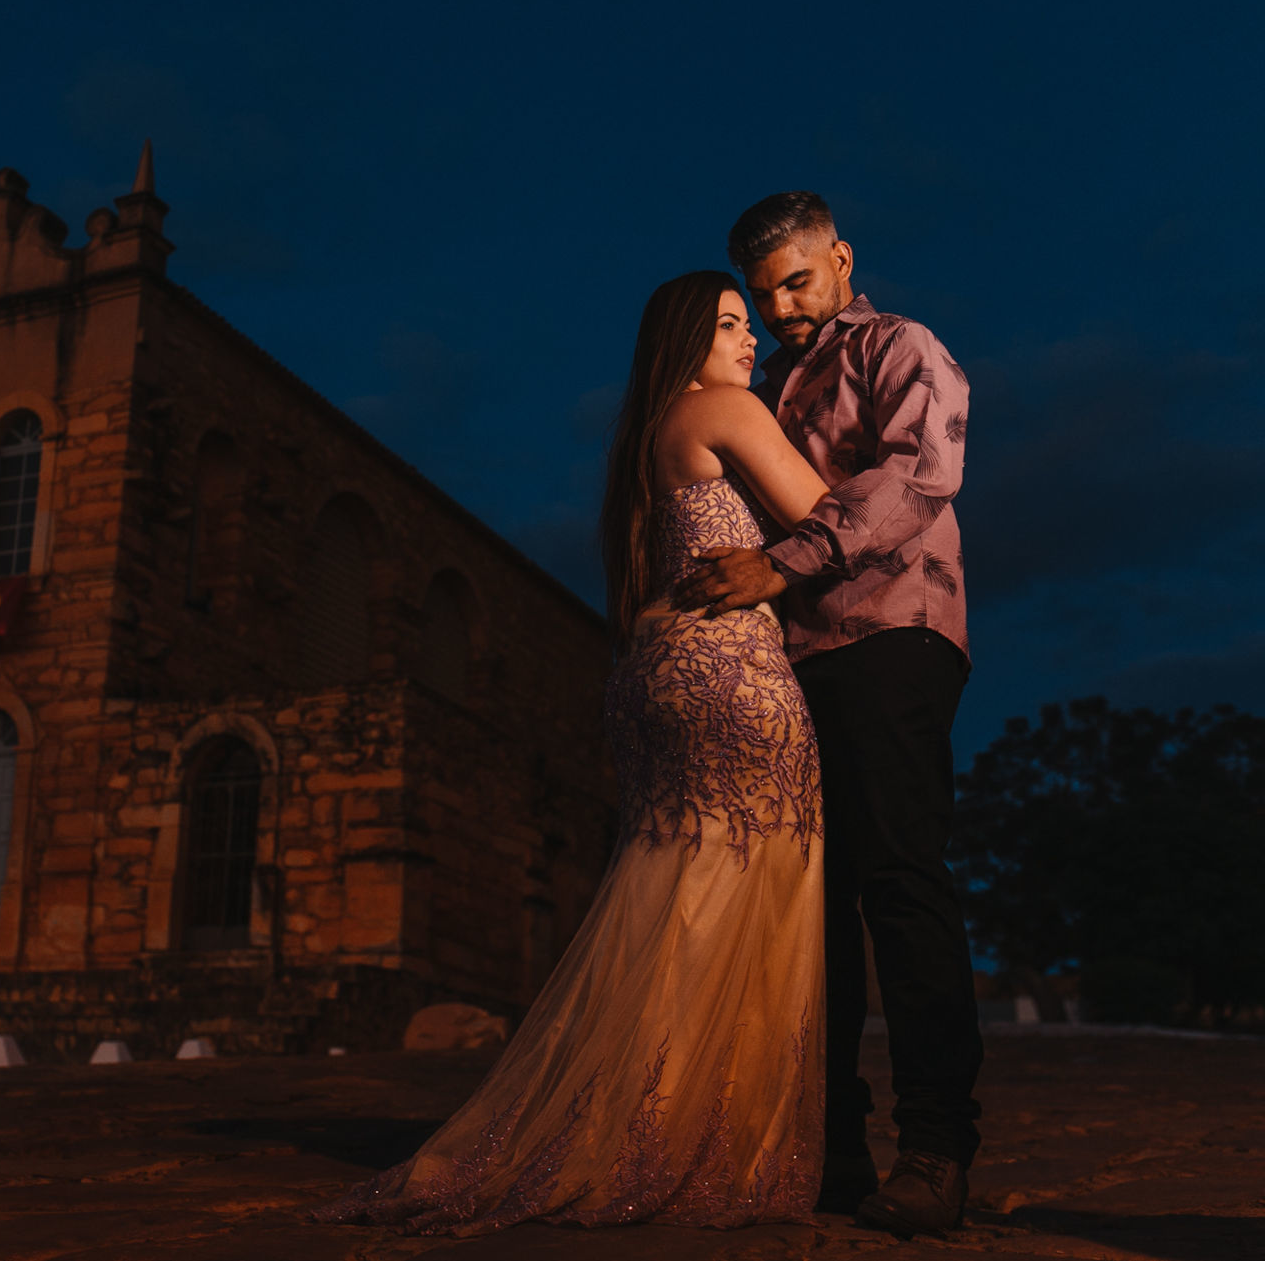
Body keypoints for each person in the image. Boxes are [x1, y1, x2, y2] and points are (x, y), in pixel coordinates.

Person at [310, 271, 831, 1232]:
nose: (748, 338)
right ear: (683, 341)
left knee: (670, 899)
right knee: (738, 898)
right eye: (725, 324)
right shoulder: (725, 408)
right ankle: (696, 1137)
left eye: (746, 323)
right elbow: (824, 513)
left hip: (654, 670)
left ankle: (635, 1117)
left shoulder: (641, 443)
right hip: (731, 672)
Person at [674, 192, 980, 1238]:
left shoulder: (900, 345)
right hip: (793, 658)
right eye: (764, 295)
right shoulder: (764, 382)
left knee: (900, 881)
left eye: (797, 281)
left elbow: (922, 472)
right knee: (816, 912)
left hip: (893, 633)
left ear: (842, 258)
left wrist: (786, 561)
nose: (783, 306)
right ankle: (835, 1150)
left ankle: (937, 1150)